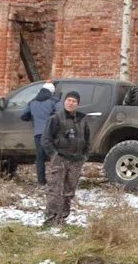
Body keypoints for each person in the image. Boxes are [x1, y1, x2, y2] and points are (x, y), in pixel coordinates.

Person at [43, 90, 90, 226]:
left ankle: (62, 218)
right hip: (60, 159)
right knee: (55, 190)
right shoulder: (55, 118)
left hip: (76, 161)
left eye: (74, 101)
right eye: (68, 100)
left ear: (78, 104)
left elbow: (87, 139)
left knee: (69, 191)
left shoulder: (82, 120)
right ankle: (51, 219)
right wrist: (54, 155)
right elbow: (46, 140)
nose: (71, 103)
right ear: (64, 102)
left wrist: (84, 155)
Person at [22, 82, 59, 186]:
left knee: (40, 158)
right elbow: (60, 114)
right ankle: (56, 180)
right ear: (52, 92)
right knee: (55, 156)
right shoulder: (54, 101)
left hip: (38, 134)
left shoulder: (32, 102)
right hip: (51, 133)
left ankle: (41, 182)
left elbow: (24, 116)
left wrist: (34, 117)